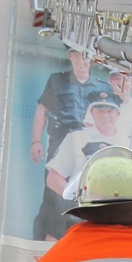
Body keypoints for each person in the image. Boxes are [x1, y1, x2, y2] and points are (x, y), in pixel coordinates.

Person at [31, 50, 106, 241]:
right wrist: (36, 141)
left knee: (87, 199)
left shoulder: (102, 87)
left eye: (86, 56)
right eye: (77, 56)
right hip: (58, 150)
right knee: (53, 199)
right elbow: (42, 110)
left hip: (87, 153)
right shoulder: (56, 80)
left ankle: (79, 243)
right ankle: (48, 246)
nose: (82, 60)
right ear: (70, 57)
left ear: (92, 59)